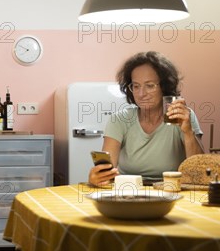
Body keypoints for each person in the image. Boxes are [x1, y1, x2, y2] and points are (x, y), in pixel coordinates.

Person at [88, 51, 205, 187]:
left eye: (149, 86)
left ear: (164, 87)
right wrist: (97, 178)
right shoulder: (119, 120)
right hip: (130, 191)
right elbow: (106, 172)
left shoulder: (182, 116)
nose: (141, 94)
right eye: (136, 86)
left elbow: (199, 171)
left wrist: (188, 132)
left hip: (172, 189)